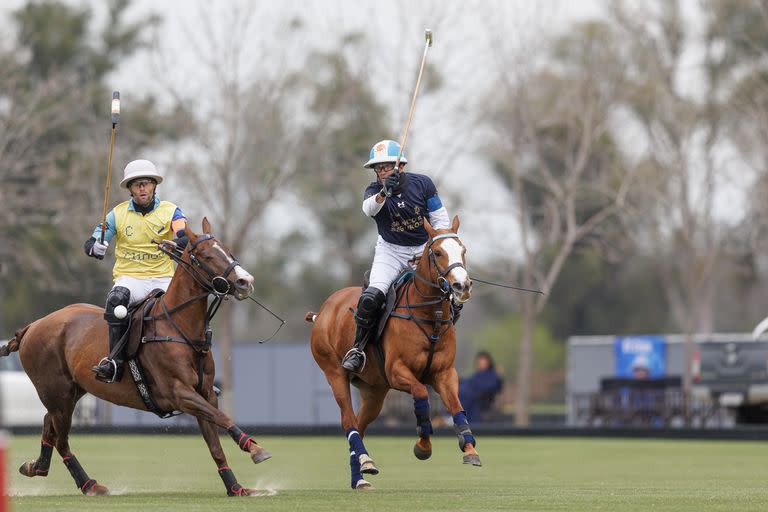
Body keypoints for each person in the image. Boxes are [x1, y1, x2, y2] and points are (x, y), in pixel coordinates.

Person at [341, 139, 460, 373]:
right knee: (371, 298)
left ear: (400, 166)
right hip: (390, 250)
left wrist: (430, 249)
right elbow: (369, 210)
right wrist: (385, 192)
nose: (382, 172)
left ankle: (440, 346)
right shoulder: (374, 191)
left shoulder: (423, 184)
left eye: (387, 167)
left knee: (452, 295)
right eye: (379, 168)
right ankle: (358, 349)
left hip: (422, 249)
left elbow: (440, 221)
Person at [84, 159, 188, 383]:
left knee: (193, 302)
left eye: (146, 183)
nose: (142, 188)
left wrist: (180, 242)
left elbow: (182, 234)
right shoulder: (117, 214)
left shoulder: (171, 211)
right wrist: (96, 247)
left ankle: (199, 362)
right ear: (130, 188)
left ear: (154, 186)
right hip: (131, 278)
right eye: (137, 184)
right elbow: (93, 241)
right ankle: (114, 362)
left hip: (164, 278)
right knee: (115, 301)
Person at [458, 351, 503, 422]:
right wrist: (459, 380)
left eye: (483, 362)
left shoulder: (492, 375)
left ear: (488, 362)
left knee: (466, 393)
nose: (481, 364)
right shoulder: (478, 375)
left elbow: (493, 386)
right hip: (471, 396)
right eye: (479, 362)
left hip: (482, 401)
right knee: (461, 390)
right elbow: (469, 381)